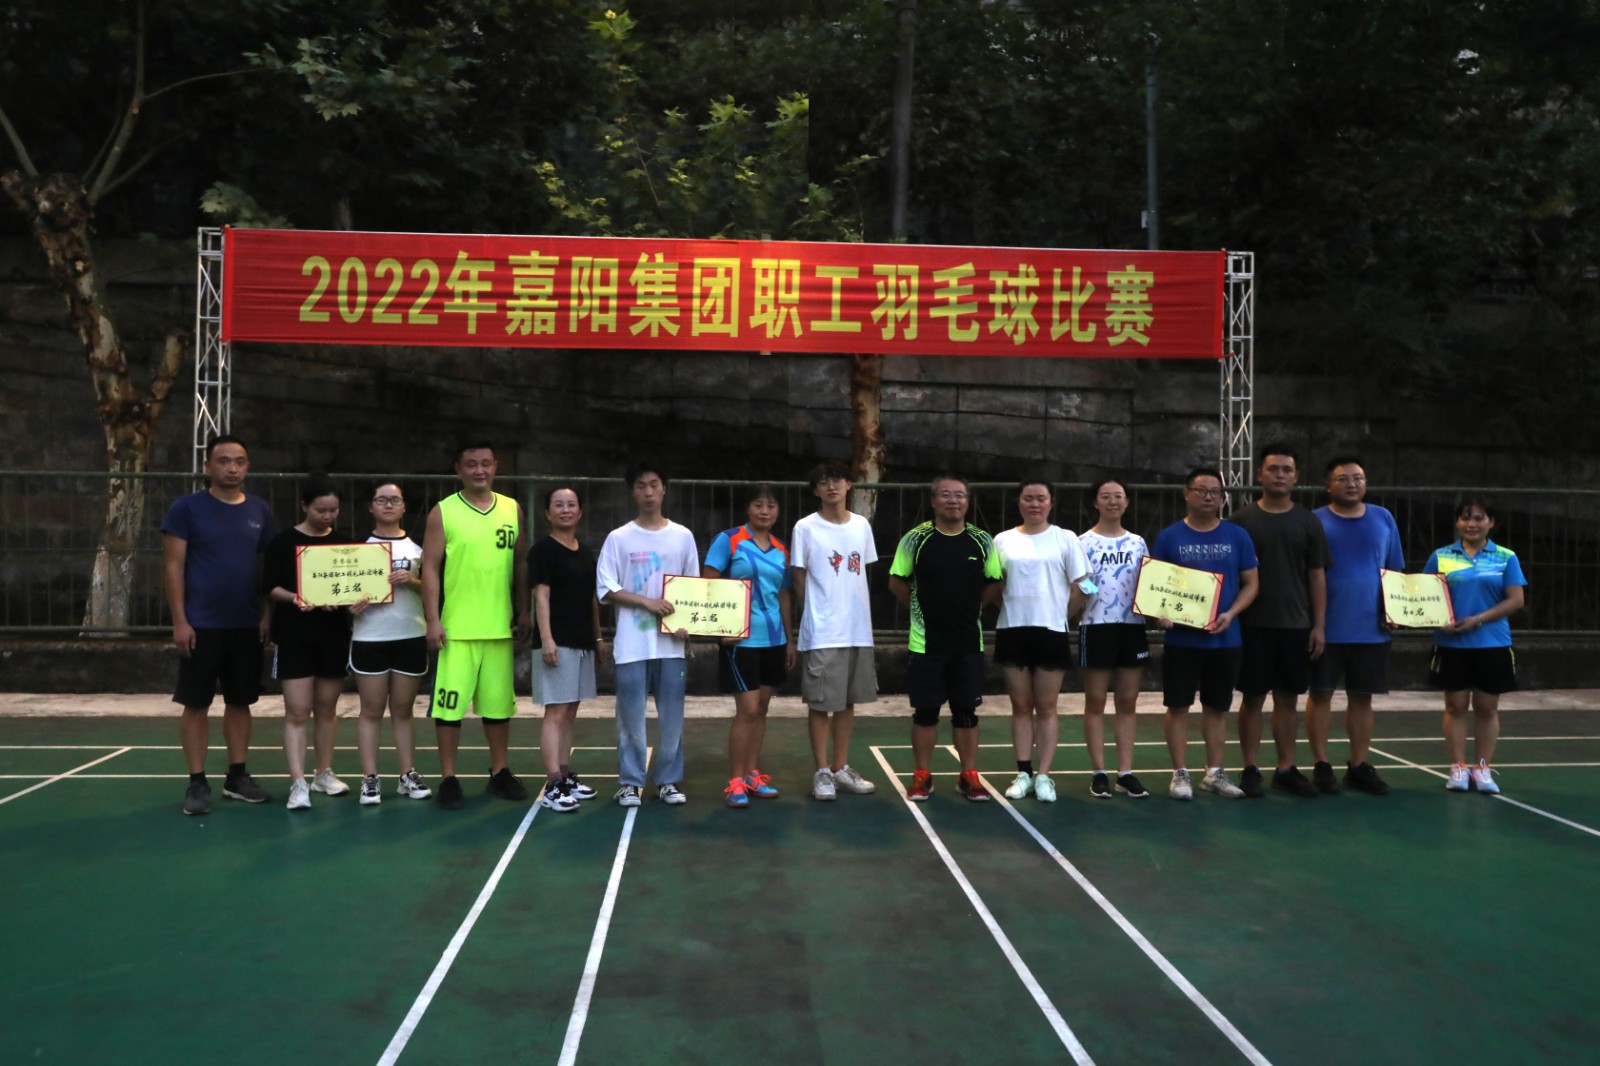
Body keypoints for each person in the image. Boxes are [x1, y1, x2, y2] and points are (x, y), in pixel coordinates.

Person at [161, 434, 275, 815]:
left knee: (240, 702)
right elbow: (173, 567)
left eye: (239, 461)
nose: (232, 468)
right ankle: (197, 782)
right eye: (223, 461)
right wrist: (180, 621)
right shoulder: (186, 509)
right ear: (207, 465)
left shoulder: (260, 510)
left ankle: (237, 777)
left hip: (245, 625)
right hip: (201, 625)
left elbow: (266, 569)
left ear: (247, 466)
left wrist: (265, 614)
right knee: (196, 703)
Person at [421, 442, 532, 811]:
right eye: (471, 464)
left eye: (485, 463)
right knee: (448, 709)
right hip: (457, 629)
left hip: (499, 627)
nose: (479, 470)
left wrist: (524, 610)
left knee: (498, 707)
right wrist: (433, 619)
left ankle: (499, 772)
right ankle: (449, 778)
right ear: (459, 469)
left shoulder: (512, 508)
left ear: (495, 466)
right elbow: (430, 567)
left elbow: (521, 563)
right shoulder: (443, 511)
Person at [888, 474, 1004, 803]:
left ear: (968, 501)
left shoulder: (982, 540)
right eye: (945, 495)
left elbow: (994, 582)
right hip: (926, 644)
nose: (953, 501)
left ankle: (969, 776)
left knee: (966, 713)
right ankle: (922, 775)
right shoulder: (915, 539)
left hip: (968, 643)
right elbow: (897, 582)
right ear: (933, 500)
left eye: (959, 495)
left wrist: (970, 609)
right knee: (926, 713)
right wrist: (920, 610)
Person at [1228, 445, 1330, 798]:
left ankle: (1286, 768)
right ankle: (1250, 768)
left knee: (1288, 700)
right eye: (1273, 469)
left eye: (1287, 469)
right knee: (1253, 698)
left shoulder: (1308, 521)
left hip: (1296, 626)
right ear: (1260, 474)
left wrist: (1318, 625)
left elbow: (1316, 576)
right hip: (1252, 626)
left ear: (1296, 477)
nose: (1280, 475)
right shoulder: (1240, 521)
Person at [1152, 467, 1259, 800]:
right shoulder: (1168, 537)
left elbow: (1252, 584)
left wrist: (1231, 613)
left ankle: (1214, 773)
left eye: (1215, 492)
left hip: (1225, 639)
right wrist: (1162, 614)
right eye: (1201, 490)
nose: (1208, 497)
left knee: (1217, 708)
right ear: (1186, 494)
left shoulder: (1237, 536)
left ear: (1223, 497)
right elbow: (1157, 588)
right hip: (1181, 641)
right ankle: (1180, 774)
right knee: (1178, 706)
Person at [596, 461, 699, 807]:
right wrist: (646, 602)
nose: (649, 492)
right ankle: (629, 782)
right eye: (641, 485)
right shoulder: (619, 538)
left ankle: (668, 781)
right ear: (633, 492)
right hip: (631, 646)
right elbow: (606, 587)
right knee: (630, 717)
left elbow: (692, 589)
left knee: (673, 716)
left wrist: (688, 623)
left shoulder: (683, 536)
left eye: (655, 484)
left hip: (673, 647)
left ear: (664, 489)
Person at [1306, 458, 1404, 796]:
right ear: (1327, 485)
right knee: (1320, 695)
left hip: (1372, 629)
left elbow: (1394, 571)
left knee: (1362, 698)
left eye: (1358, 478)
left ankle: (1359, 765)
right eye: (1343, 478)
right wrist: (1314, 623)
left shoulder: (1383, 518)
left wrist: (1394, 609)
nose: (1352, 484)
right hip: (1326, 627)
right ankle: (1321, 765)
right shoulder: (1314, 521)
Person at [993, 479, 1090, 803]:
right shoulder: (1002, 540)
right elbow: (995, 585)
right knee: (1021, 706)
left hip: (1051, 632)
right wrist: (1011, 608)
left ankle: (1044, 775)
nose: (1035, 504)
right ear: (1019, 502)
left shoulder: (1065, 538)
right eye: (1028, 498)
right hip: (1012, 631)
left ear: (1051, 503)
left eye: (1041, 498)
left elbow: (1085, 585)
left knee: (1047, 707)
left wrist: (1061, 614)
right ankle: (1023, 772)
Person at [1424, 497, 1527, 794]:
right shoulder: (1441, 556)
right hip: (1451, 644)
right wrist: (1438, 619)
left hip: (1492, 643)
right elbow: (1426, 595)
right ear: (1458, 522)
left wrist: (1478, 620)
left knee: (1487, 708)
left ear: (1491, 523)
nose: (1472, 524)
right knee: (1455, 706)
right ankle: (1458, 767)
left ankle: (1482, 769)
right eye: (1466, 517)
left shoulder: (1506, 557)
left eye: (1479, 518)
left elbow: (1516, 600)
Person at [264, 475, 355, 811]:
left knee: (327, 709)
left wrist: (350, 601)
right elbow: (270, 587)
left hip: (333, 635)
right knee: (298, 711)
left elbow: (354, 586)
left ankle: (323, 773)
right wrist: (297, 597)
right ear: (304, 506)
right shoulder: (282, 542)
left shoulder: (344, 544)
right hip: (294, 635)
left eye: (333, 510)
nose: (328, 516)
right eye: (321, 510)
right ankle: (298, 782)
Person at [790, 462, 878, 801]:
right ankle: (822, 771)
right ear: (815, 490)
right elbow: (799, 576)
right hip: (823, 629)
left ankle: (841, 767)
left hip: (857, 628)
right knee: (820, 703)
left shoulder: (861, 525)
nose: (831, 487)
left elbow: (862, 572)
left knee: (847, 701)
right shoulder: (805, 527)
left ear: (849, 485)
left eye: (837, 480)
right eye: (823, 482)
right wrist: (813, 615)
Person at [704, 484, 796, 808]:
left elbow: (783, 594)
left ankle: (752, 775)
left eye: (771, 506)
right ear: (748, 508)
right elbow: (709, 584)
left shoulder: (781, 549)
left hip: (774, 639)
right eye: (758, 504)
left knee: (763, 708)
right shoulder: (729, 540)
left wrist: (790, 639)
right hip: (740, 640)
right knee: (748, 710)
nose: (764, 511)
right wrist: (720, 629)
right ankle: (735, 781)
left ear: (778, 512)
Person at [349, 482, 432, 805]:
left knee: (403, 709)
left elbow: (433, 588)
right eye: (381, 500)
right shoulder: (358, 552)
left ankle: (407, 773)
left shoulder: (417, 550)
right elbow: (343, 593)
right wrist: (351, 605)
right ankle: (370, 777)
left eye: (394, 500)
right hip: (370, 636)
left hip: (410, 634)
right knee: (371, 710)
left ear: (403, 506)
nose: (388, 505)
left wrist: (411, 580)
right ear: (371, 507)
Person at [531, 485, 605, 813]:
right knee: (556, 712)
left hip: (582, 641)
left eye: (571, 504)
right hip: (556, 642)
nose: (565, 510)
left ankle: (564, 775)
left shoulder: (585, 551)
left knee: (571, 711)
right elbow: (541, 596)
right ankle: (552, 784)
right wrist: (547, 639)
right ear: (547, 513)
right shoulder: (542, 551)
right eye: (558, 505)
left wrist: (598, 639)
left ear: (580, 511)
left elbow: (592, 599)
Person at [1078, 477, 1152, 799]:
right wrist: (1093, 589)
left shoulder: (1137, 542)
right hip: (1096, 626)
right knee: (1095, 702)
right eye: (1106, 496)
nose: (1113, 501)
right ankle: (1099, 772)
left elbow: (1149, 585)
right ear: (1095, 502)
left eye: (1118, 496)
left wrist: (1159, 609)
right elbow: (1078, 582)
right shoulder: (1082, 542)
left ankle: (1125, 773)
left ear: (1127, 502)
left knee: (1127, 701)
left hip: (1132, 627)